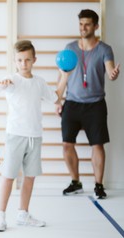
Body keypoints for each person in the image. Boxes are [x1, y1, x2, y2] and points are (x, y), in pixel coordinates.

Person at [0, 40, 69, 232]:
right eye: (19, 60)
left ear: (34, 59)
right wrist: (4, 83)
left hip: (35, 136)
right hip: (15, 136)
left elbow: (56, 97)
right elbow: (0, 87)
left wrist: (64, 76)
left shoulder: (39, 82)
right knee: (8, 176)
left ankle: (23, 213)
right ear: (15, 61)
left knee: (30, 177)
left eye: (27, 59)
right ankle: (0, 216)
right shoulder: (11, 81)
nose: (24, 63)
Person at [58, 9, 120, 199]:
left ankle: (99, 185)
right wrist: (58, 100)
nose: (83, 28)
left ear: (95, 26)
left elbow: (110, 69)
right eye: (80, 24)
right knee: (67, 145)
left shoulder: (104, 49)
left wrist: (112, 74)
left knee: (97, 145)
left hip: (95, 104)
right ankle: (75, 182)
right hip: (72, 103)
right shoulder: (69, 48)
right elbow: (62, 77)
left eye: (87, 24)